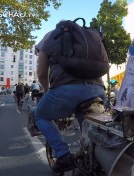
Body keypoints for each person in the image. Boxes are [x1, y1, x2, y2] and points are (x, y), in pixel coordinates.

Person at [34, 24, 106, 172]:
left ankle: (63, 156)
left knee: (40, 115)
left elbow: (41, 73)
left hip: (66, 90)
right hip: (98, 89)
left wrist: (47, 90)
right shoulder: (87, 39)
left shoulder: (49, 37)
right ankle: (94, 157)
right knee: (87, 124)